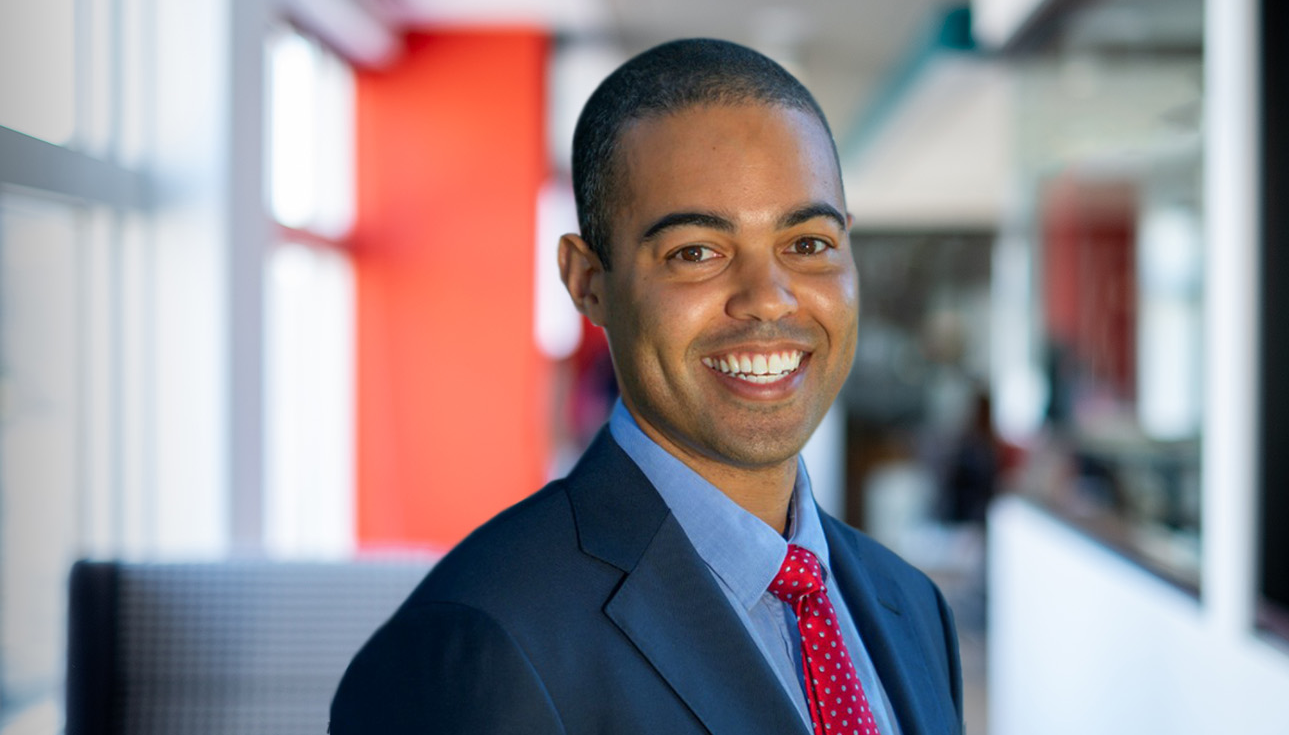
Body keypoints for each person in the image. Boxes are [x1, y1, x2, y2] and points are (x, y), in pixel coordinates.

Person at [330, 38, 965, 735]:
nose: (769, 299)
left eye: (808, 244)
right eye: (696, 252)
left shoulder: (912, 607)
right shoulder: (476, 645)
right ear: (588, 282)